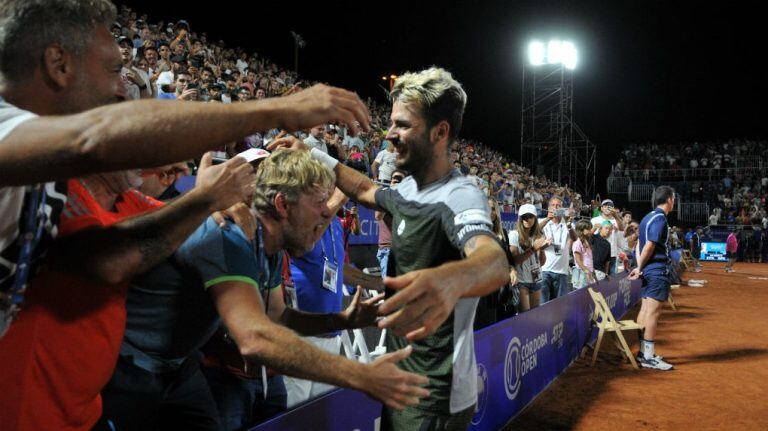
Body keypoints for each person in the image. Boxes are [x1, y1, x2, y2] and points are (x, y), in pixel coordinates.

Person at [0, 0, 371, 336]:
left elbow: (108, 259)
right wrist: (276, 110)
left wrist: (206, 200)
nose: (119, 90)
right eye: (114, 70)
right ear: (58, 64)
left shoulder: (50, 172)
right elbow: (97, 137)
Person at [101, 150, 428, 430]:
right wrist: (361, 375)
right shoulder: (229, 234)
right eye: (319, 202)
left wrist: (341, 321)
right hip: (130, 370)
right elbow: (254, 338)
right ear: (283, 204)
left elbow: (276, 315)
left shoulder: (266, 242)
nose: (330, 211)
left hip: (177, 369)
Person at [269, 67, 509, 430]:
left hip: (434, 395)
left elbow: (492, 261)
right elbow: (364, 188)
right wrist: (314, 155)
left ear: (440, 132)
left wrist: (451, 278)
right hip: (403, 382)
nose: (390, 135)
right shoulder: (410, 190)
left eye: (402, 125)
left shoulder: (460, 196)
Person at [629, 185, 676, 371]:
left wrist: (639, 267)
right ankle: (648, 356)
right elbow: (649, 245)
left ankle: (643, 353)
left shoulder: (647, 217)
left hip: (648, 270)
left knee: (646, 309)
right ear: (670, 199)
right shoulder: (660, 219)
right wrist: (639, 267)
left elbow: (639, 245)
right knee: (653, 313)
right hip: (656, 270)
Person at [509, 204, 550, 311]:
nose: (527, 219)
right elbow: (514, 261)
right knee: (525, 316)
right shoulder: (514, 235)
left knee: (534, 316)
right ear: (520, 219)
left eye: (530, 216)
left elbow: (541, 263)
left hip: (537, 280)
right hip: (522, 282)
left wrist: (542, 250)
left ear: (535, 219)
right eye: (524, 217)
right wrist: (533, 249)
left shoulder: (539, 235)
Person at [537, 196, 575, 302]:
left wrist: (569, 224)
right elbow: (534, 231)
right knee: (543, 303)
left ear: (562, 208)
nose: (555, 208)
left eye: (558, 205)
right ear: (548, 207)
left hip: (562, 271)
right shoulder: (542, 221)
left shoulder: (567, 222)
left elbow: (575, 238)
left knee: (560, 303)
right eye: (552, 205)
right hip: (545, 270)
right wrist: (547, 218)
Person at [375, 170, 406, 278]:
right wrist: (391, 193)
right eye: (395, 179)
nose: (397, 182)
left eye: (400, 180)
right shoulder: (384, 196)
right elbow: (378, 216)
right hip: (388, 250)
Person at [591, 199, 625, 274]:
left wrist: (616, 216)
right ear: (602, 208)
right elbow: (589, 236)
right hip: (597, 255)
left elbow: (622, 229)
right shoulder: (594, 220)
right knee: (598, 282)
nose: (607, 208)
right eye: (605, 206)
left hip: (612, 254)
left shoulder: (616, 220)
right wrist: (595, 228)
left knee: (612, 281)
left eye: (610, 206)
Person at [571, 219, 596, 289]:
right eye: (588, 229)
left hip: (588, 272)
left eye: (590, 229)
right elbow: (578, 259)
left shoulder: (587, 241)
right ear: (581, 230)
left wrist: (592, 272)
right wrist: (586, 271)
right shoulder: (577, 242)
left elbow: (589, 259)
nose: (590, 231)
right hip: (580, 272)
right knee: (580, 297)